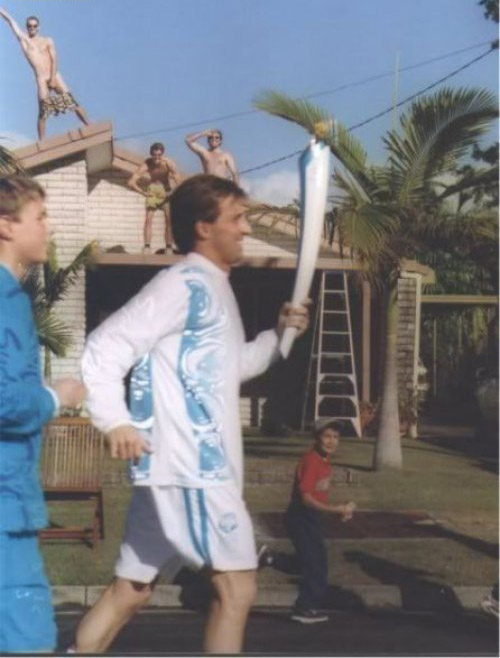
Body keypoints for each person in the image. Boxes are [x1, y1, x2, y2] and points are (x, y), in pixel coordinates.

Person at [71, 174, 310, 654]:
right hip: (191, 468)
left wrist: (280, 335)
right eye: (237, 218)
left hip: (174, 467)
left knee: (131, 592)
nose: (246, 229)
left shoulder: (215, 288)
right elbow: (105, 346)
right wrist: (115, 420)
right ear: (203, 227)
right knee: (237, 588)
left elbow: (231, 368)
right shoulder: (183, 285)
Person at [0, 175, 86, 653]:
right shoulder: (4, 299)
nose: (49, 227)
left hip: (11, 499)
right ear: (5, 225)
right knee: (27, 641)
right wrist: (57, 396)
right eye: (40, 216)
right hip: (4, 504)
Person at [285, 418, 356, 624]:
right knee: (316, 565)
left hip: (311, 518)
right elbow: (306, 499)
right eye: (327, 436)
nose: (331, 441)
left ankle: (271, 559)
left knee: (312, 561)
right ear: (316, 438)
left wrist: (340, 512)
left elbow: (318, 496)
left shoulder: (324, 461)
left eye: (336, 437)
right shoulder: (311, 461)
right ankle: (304, 609)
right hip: (300, 517)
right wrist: (337, 509)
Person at [0, 9, 90, 141]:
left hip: (53, 74)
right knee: (43, 111)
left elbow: (54, 59)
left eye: (34, 26)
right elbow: (10, 21)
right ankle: (42, 141)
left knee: (72, 102)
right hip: (41, 78)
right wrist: (2, 11)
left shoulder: (47, 40)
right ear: (27, 27)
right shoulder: (24, 41)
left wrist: (52, 78)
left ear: (38, 27)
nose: (32, 28)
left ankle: (89, 125)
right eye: (30, 26)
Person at [128, 142, 182, 254]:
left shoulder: (168, 163)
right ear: (151, 154)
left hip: (165, 191)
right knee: (148, 219)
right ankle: (147, 246)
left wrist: (171, 193)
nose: (157, 158)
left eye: (159, 156)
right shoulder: (147, 164)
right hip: (152, 191)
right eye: (154, 155)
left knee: (168, 220)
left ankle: (168, 247)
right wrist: (143, 192)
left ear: (162, 154)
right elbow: (131, 182)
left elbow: (179, 181)